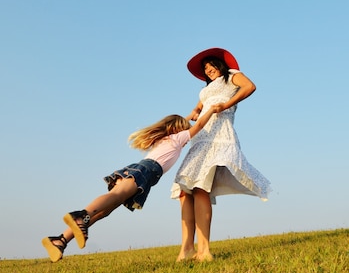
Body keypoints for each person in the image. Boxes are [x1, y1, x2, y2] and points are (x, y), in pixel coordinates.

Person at [41, 105, 223, 262]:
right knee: (114, 197)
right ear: (179, 130)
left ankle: (60, 241)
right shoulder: (177, 139)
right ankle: (81, 216)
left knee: (105, 210)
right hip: (146, 172)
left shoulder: (164, 138)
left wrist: (189, 115)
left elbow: (179, 123)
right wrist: (211, 111)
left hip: (140, 170)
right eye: (185, 127)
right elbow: (199, 125)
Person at [171, 47, 271, 262]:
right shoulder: (206, 90)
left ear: (220, 66)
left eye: (212, 66)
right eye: (205, 69)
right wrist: (186, 119)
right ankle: (187, 248)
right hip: (200, 137)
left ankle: (204, 250)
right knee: (183, 189)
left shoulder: (232, 76)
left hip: (218, 136)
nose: (209, 70)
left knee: (200, 188)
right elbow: (196, 110)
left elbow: (250, 87)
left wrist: (226, 104)